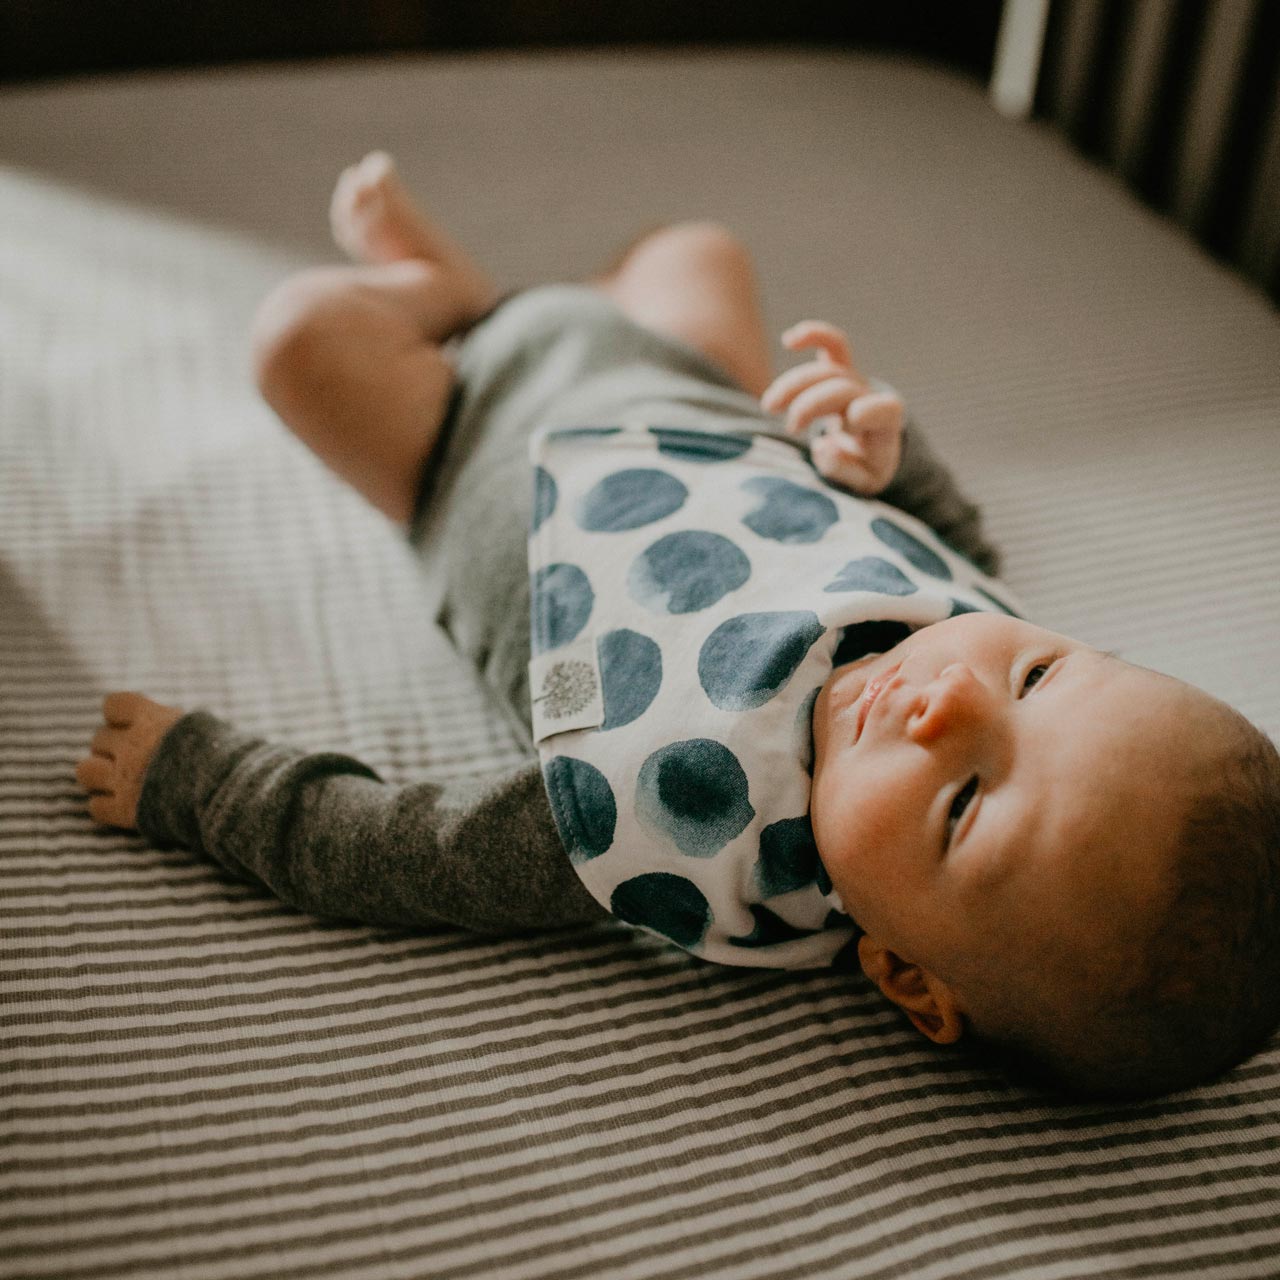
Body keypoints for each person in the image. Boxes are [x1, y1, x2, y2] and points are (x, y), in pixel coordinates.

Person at [75, 154, 1280, 1101]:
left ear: (907, 976)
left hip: (470, 444)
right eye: (1036, 673)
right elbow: (946, 538)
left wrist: (204, 783)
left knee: (295, 339)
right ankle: (496, 298)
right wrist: (876, 446)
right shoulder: (967, 638)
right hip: (698, 397)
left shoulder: (663, 825)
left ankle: (442, 299)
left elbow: (397, 848)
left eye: (962, 801)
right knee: (697, 247)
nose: (949, 699)